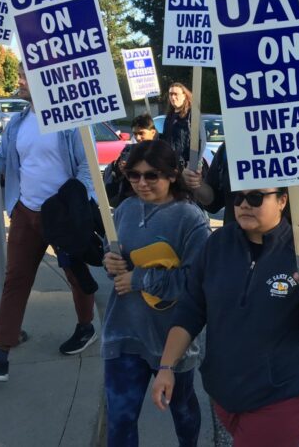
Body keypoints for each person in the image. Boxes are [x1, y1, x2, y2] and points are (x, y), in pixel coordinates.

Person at [151, 187, 299, 447]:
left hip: (280, 395)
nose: (244, 204)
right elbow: (191, 308)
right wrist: (166, 367)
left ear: (282, 200)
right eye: (239, 197)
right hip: (224, 392)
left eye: (256, 197)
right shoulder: (217, 244)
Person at [0, 66, 97, 382]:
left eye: (25, 77)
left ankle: (86, 326)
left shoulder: (71, 121)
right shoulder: (18, 123)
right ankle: (0, 354)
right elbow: (3, 162)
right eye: (19, 75)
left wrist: (76, 205)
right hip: (25, 212)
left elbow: (88, 168)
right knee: (15, 279)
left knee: (75, 274)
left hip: (61, 217)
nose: (18, 81)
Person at [101, 139, 209, 446]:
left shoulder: (191, 219)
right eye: (134, 175)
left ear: (172, 175)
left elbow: (195, 283)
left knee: (184, 416)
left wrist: (140, 280)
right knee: (120, 422)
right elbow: (115, 261)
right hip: (123, 334)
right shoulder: (123, 210)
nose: (141, 183)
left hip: (171, 340)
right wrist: (109, 262)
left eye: (152, 175)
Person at [182, 142, 299, 253]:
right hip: (236, 254)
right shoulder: (229, 149)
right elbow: (212, 201)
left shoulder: (298, 149)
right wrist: (196, 184)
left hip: (287, 259)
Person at [104, 114, 158, 207]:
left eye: (141, 133)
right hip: (130, 201)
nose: (137, 138)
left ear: (152, 132)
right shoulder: (129, 150)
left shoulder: (162, 150)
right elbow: (117, 177)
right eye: (135, 134)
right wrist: (120, 170)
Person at [162, 83, 192, 168]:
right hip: (169, 163)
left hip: (185, 164)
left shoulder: (191, 114)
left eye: (176, 94)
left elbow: (201, 139)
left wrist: (193, 163)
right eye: (171, 94)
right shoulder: (169, 116)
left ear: (184, 96)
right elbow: (166, 138)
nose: (172, 97)